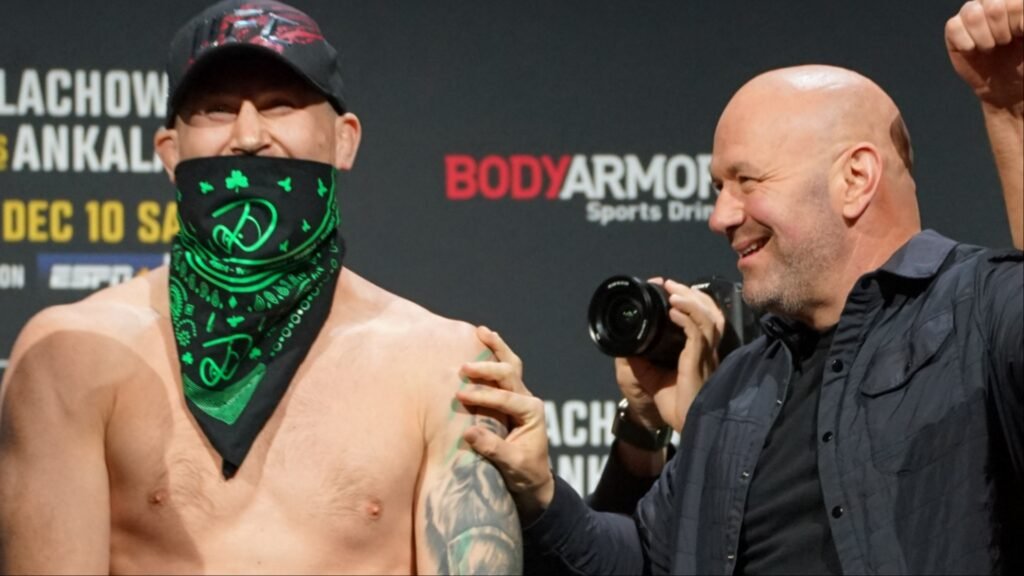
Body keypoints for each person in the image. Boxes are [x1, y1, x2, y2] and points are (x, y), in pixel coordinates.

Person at [457, 0, 1024, 574]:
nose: (720, 215)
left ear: (855, 180)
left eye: (746, 181)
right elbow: (649, 562)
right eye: (718, 187)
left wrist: (1012, 111)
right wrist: (539, 489)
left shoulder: (977, 311)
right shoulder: (738, 387)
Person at [0, 1, 521, 573]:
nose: (249, 136)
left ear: (344, 140)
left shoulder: (442, 364)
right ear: (170, 153)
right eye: (217, 110)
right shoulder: (71, 356)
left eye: (281, 105)